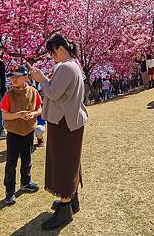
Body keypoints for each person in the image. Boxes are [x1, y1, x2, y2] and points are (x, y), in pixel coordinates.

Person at [31, 34, 89, 231]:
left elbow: (53, 93)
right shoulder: (75, 65)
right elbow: (58, 90)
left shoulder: (65, 67)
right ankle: (72, 200)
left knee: (64, 162)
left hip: (64, 122)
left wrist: (41, 79)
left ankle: (65, 207)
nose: (52, 56)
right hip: (71, 120)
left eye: (52, 52)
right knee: (71, 160)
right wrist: (47, 79)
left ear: (60, 49)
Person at [0, 65, 42, 205]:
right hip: (14, 132)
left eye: (17, 76)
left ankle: (26, 182)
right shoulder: (8, 94)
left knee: (27, 158)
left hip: (29, 130)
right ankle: (9, 191)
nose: (14, 79)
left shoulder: (34, 92)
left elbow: (39, 108)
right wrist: (18, 115)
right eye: (12, 76)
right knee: (11, 162)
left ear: (26, 77)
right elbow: (4, 115)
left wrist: (34, 114)